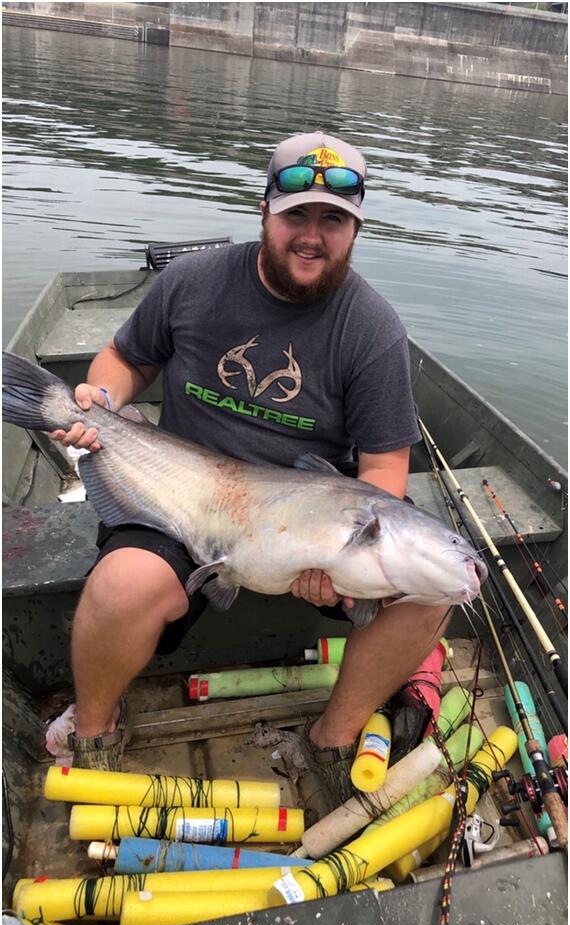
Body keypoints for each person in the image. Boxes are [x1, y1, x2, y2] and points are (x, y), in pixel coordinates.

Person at [49, 131, 449, 798]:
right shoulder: (193, 282)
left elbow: (383, 474)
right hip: (180, 499)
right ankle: (95, 727)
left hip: (305, 529)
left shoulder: (373, 330)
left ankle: (331, 738)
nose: (312, 237)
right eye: (297, 215)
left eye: (334, 221)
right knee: (120, 586)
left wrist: (340, 566)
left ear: (356, 230)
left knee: (432, 591)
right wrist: (101, 402)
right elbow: (123, 362)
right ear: (264, 211)